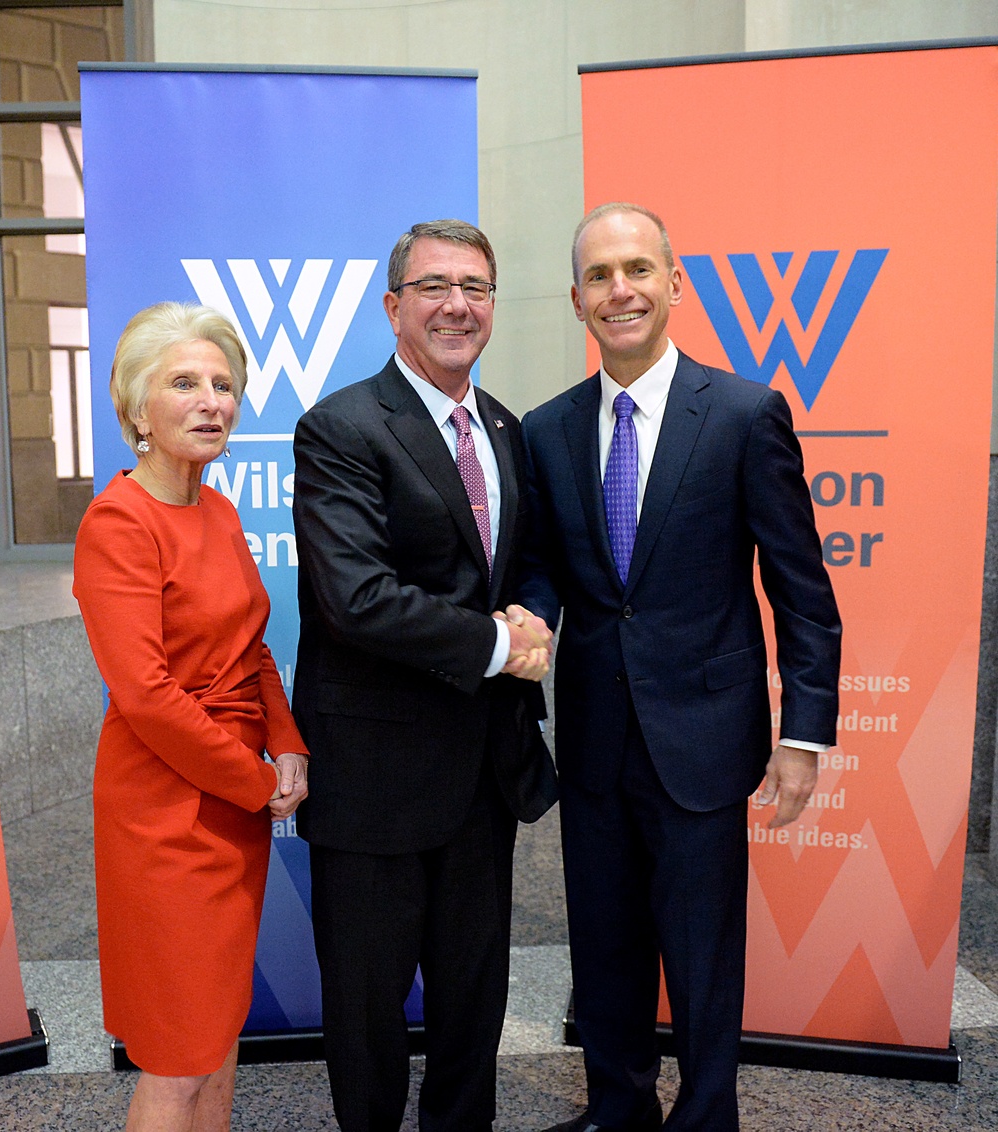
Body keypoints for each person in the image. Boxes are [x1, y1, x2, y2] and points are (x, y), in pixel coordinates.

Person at [516, 203, 842, 1132]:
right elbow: (544, 568)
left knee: (702, 962)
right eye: (598, 276)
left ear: (672, 283)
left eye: (637, 270)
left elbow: (802, 592)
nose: (619, 290)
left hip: (703, 740)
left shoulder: (743, 414)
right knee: (606, 950)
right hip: (594, 742)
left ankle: (706, 1119)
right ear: (576, 299)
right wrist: (529, 616)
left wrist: (802, 735)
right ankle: (618, 1108)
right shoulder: (546, 429)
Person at [292, 218, 558, 1132]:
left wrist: (535, 618)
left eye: (476, 288)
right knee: (366, 1022)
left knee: (472, 1010)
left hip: (485, 775)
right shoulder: (341, 426)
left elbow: (526, 563)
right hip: (374, 778)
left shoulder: (503, 427)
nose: (457, 305)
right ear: (393, 306)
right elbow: (354, 597)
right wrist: (496, 643)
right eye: (437, 286)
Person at [73, 302, 309, 1132]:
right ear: (138, 409)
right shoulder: (118, 522)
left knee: (217, 1033)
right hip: (165, 816)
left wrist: (286, 745)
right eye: (185, 383)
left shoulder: (219, 511)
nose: (212, 401)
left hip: (233, 804)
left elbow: (253, 650)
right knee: (177, 1056)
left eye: (224, 385)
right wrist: (252, 778)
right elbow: (144, 695)